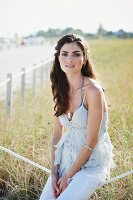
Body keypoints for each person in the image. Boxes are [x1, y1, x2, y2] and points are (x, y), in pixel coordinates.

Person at [39, 34, 115, 200]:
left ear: (84, 58)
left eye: (76, 54)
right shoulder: (60, 88)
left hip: (91, 165)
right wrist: (54, 173)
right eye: (64, 54)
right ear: (58, 58)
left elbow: (92, 140)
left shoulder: (93, 91)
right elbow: (56, 136)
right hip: (64, 162)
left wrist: (69, 176)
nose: (70, 59)